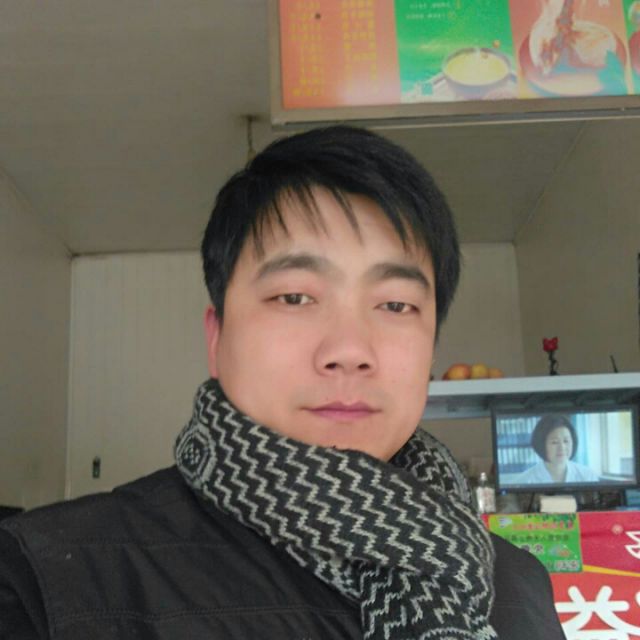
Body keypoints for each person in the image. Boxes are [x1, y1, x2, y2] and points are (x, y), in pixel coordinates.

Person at [0, 126, 566, 639]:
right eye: (294, 297)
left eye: (396, 304)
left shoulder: (516, 583)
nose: (349, 351)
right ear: (217, 337)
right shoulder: (48, 579)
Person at [518, 414, 599, 484]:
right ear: (541, 444)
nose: (562, 447)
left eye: (566, 441)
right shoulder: (524, 480)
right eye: (554, 442)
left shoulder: (587, 476)